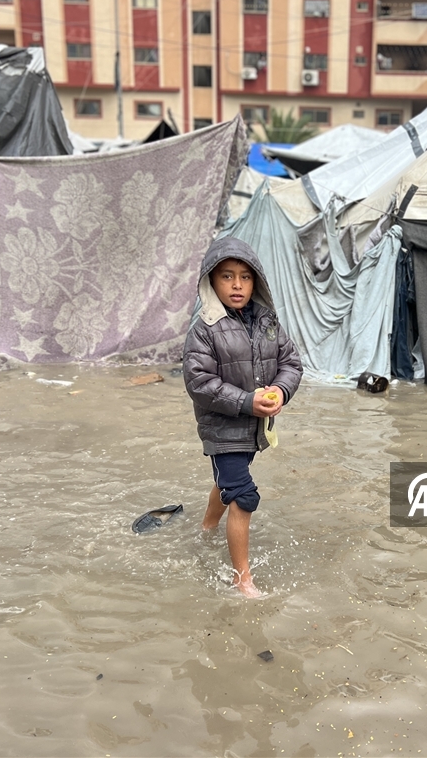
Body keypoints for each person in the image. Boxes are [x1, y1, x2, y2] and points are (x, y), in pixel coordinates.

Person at [183, 236, 303, 597]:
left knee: (227, 483)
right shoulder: (204, 329)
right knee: (243, 496)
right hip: (222, 429)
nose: (237, 285)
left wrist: (280, 390)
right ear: (211, 281)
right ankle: (243, 580)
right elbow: (199, 382)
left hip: (253, 429)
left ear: (256, 281)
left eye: (245, 277)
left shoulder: (267, 322)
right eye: (227, 276)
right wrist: (247, 401)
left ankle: (206, 527)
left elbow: (291, 363)